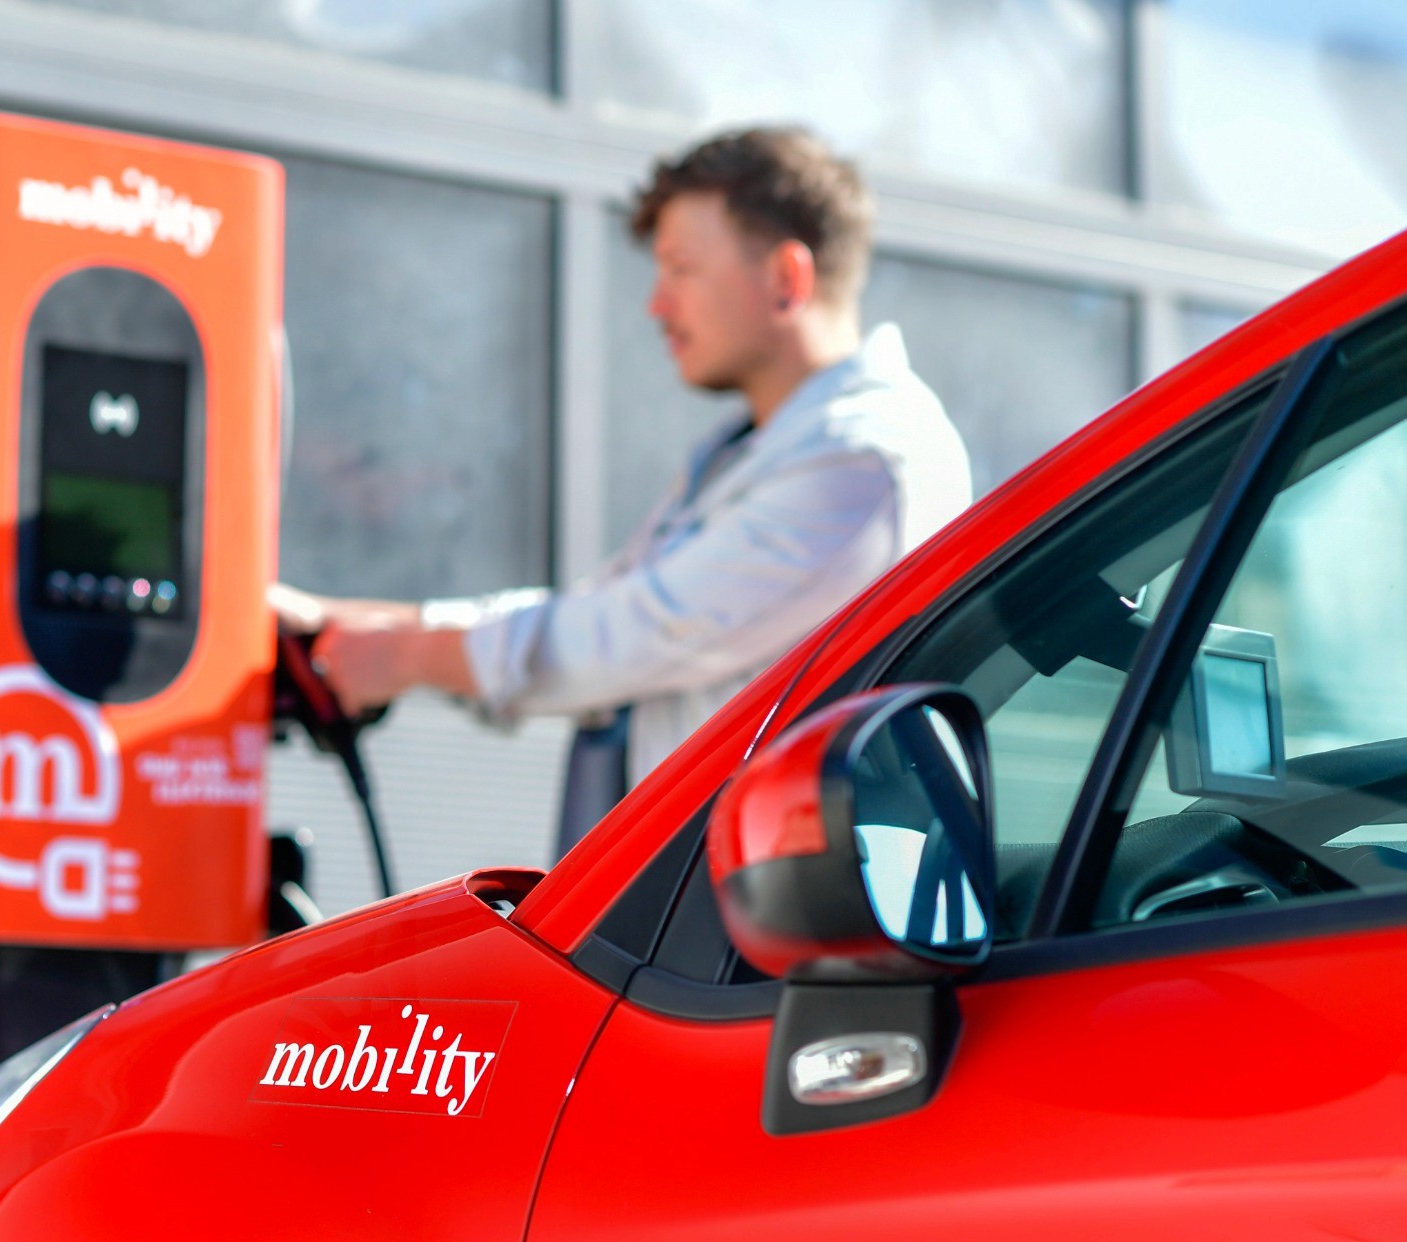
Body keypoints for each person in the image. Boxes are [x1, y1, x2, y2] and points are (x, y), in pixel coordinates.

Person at [273, 126, 972, 848]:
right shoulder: (749, 453)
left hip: (787, 931)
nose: (656, 306)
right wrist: (350, 623)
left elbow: (625, 636)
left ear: (786, 280)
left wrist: (403, 657)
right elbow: (600, 609)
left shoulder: (860, 464)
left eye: (680, 268)